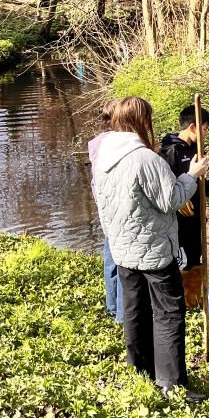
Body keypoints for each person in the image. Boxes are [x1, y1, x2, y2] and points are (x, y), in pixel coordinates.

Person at [91, 96, 209, 403]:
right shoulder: (145, 158)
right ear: (141, 121)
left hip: (122, 250)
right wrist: (192, 175)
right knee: (169, 313)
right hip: (153, 250)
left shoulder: (103, 155)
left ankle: (140, 371)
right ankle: (171, 384)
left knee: (135, 310)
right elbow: (171, 200)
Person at [160, 104, 209, 309]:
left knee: (198, 260)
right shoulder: (170, 151)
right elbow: (164, 188)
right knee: (184, 263)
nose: (206, 133)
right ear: (193, 127)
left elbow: (200, 182)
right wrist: (179, 201)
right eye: (205, 129)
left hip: (196, 218)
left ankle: (196, 301)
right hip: (179, 223)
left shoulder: (196, 149)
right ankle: (183, 304)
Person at [88, 100, 124, 324]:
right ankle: (121, 314)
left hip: (104, 206)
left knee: (111, 256)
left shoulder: (97, 143)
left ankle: (112, 306)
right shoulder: (115, 144)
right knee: (122, 261)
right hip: (116, 208)